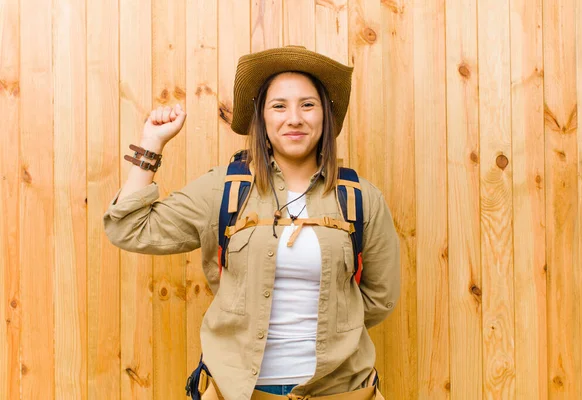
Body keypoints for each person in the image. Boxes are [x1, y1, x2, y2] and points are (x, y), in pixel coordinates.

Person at [104, 45, 400, 400]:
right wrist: (151, 143)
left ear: (325, 116)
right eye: (279, 106)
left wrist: (336, 325)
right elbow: (129, 228)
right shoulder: (224, 188)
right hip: (238, 391)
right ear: (262, 117)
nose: (294, 118)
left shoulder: (362, 197)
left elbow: (380, 297)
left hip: (341, 390)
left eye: (308, 104)